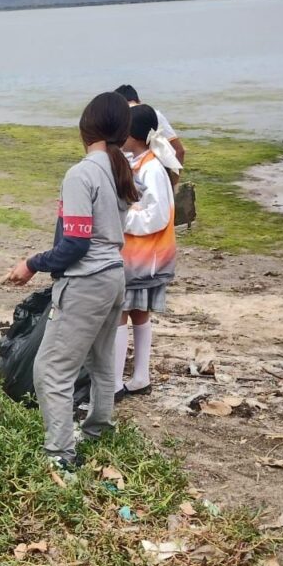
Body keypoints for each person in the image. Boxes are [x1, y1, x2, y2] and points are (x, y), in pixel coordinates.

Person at [9, 92, 138, 471]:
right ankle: (99, 429)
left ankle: (60, 454)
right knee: (101, 360)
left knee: (51, 369)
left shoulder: (82, 173)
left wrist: (31, 264)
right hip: (114, 276)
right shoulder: (118, 171)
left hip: (87, 282)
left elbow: (76, 244)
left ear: (86, 128)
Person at [114, 104, 179, 399]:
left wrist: (124, 217)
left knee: (121, 314)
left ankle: (115, 381)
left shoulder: (152, 168)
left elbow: (158, 216)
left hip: (142, 259)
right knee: (139, 314)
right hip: (144, 257)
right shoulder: (140, 161)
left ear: (133, 135)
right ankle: (140, 376)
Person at [113, 84, 186, 185]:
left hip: (128, 178)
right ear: (139, 101)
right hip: (155, 172)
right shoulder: (153, 114)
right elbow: (179, 151)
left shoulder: (117, 117)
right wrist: (173, 184)